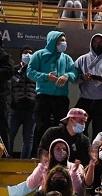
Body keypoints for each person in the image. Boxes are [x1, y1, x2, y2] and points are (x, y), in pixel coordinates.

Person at [27, 30, 78, 158]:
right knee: (41, 126)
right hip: (43, 96)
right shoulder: (39, 55)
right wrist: (46, 77)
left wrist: (67, 76)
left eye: (64, 40)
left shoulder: (67, 58)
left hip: (61, 97)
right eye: (61, 40)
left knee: (61, 127)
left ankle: (61, 155)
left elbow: (74, 73)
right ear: (53, 41)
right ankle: (38, 154)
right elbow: (30, 72)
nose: (63, 43)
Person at [74, 33, 102, 139]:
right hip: (85, 100)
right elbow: (73, 78)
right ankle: (83, 149)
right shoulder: (81, 59)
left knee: (101, 133)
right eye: (95, 42)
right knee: (79, 130)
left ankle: (97, 150)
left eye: (100, 42)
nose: (97, 44)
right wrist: (82, 77)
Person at [8, 45, 36, 159]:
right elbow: (10, 87)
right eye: (25, 52)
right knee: (10, 135)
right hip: (15, 109)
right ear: (21, 55)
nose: (28, 55)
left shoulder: (36, 71)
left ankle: (24, 161)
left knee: (28, 138)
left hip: (31, 110)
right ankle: (7, 159)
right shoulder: (14, 70)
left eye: (30, 53)